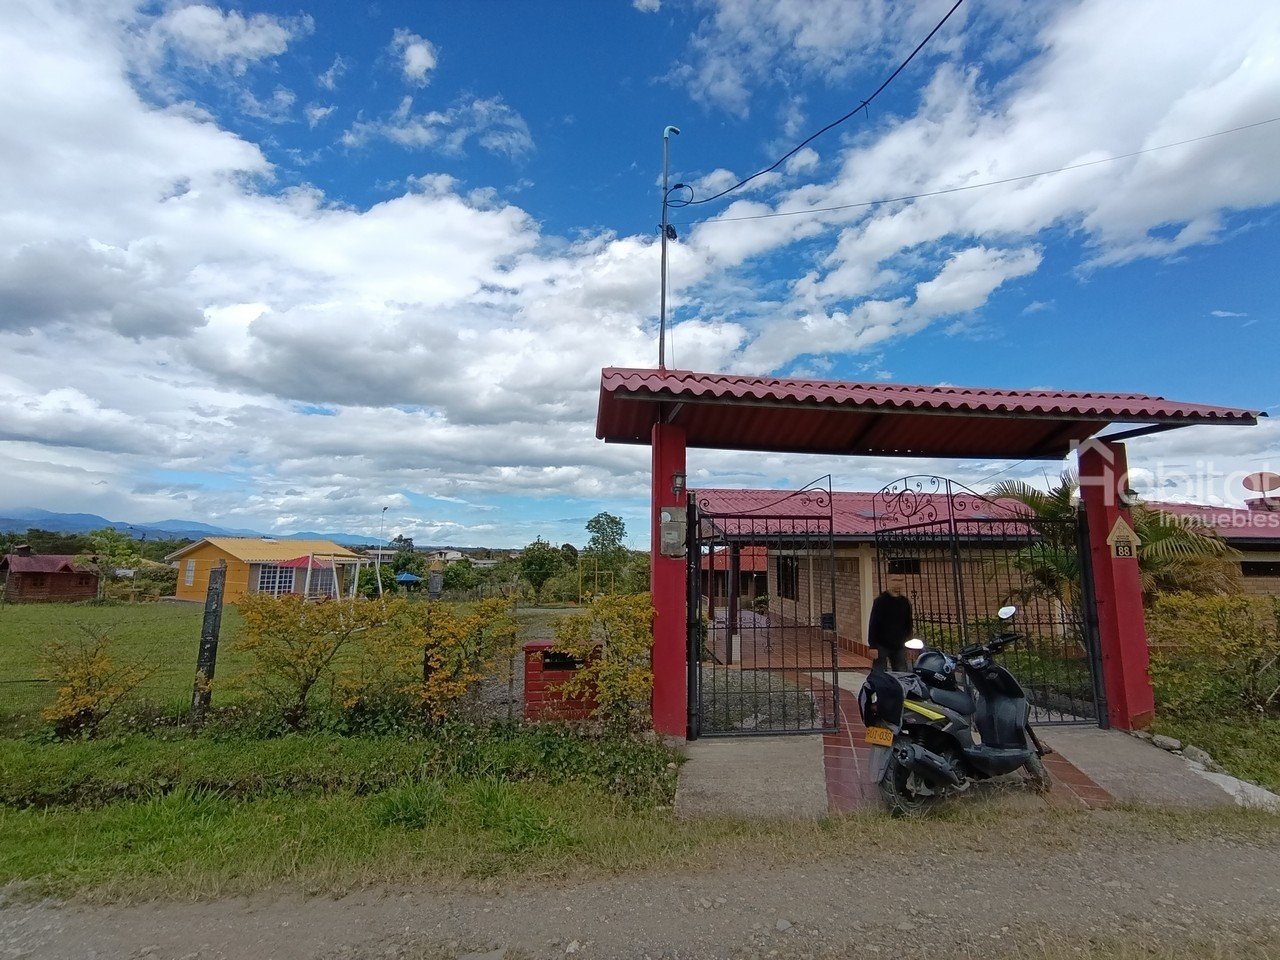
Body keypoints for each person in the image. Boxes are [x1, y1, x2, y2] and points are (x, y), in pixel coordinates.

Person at [867, 580, 913, 672]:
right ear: (889, 583)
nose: (898, 584)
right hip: (881, 644)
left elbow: (909, 624)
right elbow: (873, 623)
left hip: (900, 645)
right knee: (879, 672)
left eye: (900, 581)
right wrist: (873, 646)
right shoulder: (880, 601)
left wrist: (909, 645)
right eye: (894, 581)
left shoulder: (905, 602)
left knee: (901, 672)